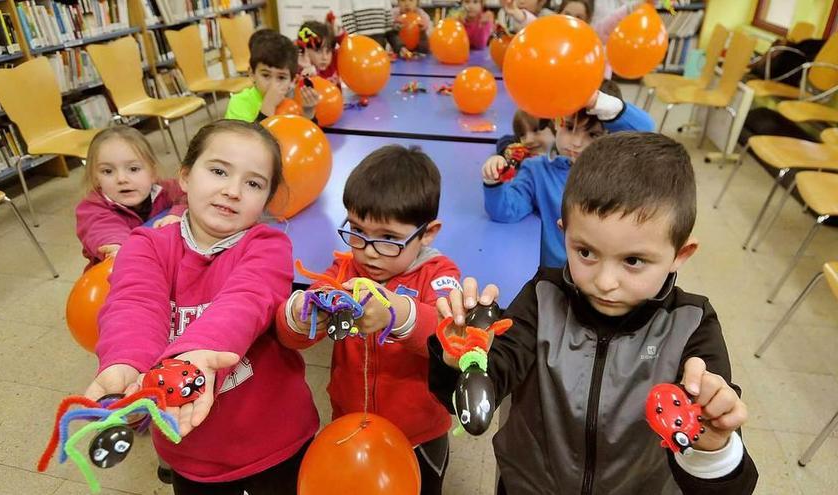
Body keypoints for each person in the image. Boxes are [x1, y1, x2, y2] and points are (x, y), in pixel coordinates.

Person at [431, 132, 759, 495]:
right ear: (564, 233)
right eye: (585, 252)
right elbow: (484, 387)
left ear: (680, 254)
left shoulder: (693, 325)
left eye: (633, 261)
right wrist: (463, 360)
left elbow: (727, 488)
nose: (604, 282)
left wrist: (711, 446)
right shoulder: (543, 296)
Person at [85, 120, 319, 495]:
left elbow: (246, 299)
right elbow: (135, 304)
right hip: (190, 449)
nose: (232, 191)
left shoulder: (268, 246)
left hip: (275, 441)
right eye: (218, 171)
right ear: (186, 176)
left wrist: (199, 353)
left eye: (254, 183)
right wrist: (126, 363)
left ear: (266, 199)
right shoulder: (146, 245)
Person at [275, 145, 460, 495]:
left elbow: (447, 336)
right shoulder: (342, 269)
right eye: (357, 230)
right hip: (349, 425)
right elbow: (291, 337)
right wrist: (302, 314)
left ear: (429, 233)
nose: (370, 250)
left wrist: (397, 313)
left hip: (419, 433)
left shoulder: (439, 275)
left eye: (389, 238)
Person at [482, 82, 654, 269]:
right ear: (555, 124)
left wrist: (598, 102)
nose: (577, 142)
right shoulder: (536, 170)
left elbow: (647, 134)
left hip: (607, 279)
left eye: (593, 135)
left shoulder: (619, 172)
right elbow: (506, 211)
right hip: (556, 277)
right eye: (569, 127)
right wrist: (494, 182)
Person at [75, 126, 184, 269]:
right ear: (96, 178)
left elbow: (192, 194)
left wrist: (177, 214)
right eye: (107, 171)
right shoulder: (92, 207)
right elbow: (102, 228)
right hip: (117, 275)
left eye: (133, 169)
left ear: (152, 172)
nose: (121, 179)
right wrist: (118, 246)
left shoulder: (165, 189)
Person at [225, 29, 320, 123]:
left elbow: (305, 136)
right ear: (252, 74)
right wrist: (267, 108)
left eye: (281, 77)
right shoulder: (239, 103)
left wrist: (308, 113)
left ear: (292, 80)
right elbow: (245, 138)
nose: (273, 85)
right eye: (266, 75)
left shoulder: (295, 100)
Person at [340, 0, 411, 57]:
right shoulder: (346, 1)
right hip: (360, 59)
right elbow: (351, 36)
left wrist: (400, 48)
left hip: (380, 58)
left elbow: (389, 31)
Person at [296, 20, 341, 87]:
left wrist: (338, 34)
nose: (325, 57)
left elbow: (347, 48)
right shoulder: (302, 71)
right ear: (305, 50)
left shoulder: (334, 59)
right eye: (318, 51)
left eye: (328, 51)